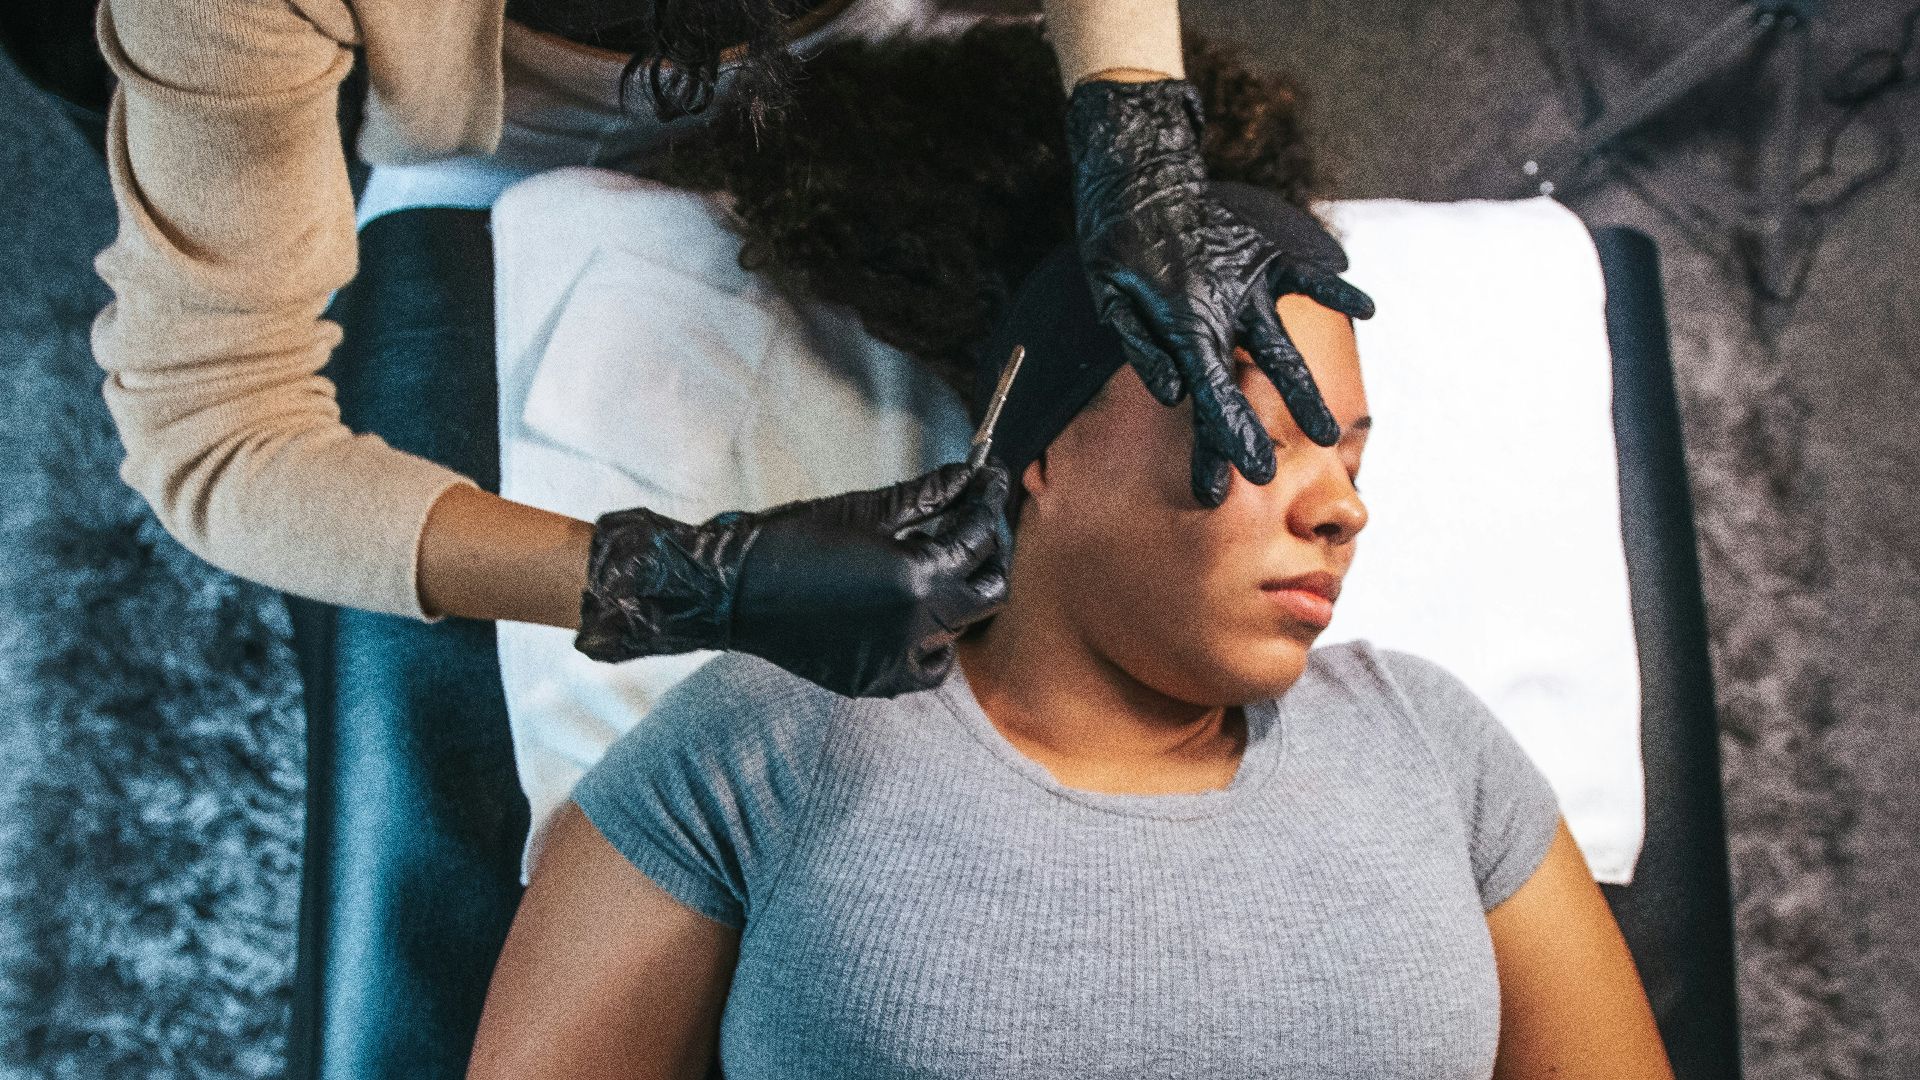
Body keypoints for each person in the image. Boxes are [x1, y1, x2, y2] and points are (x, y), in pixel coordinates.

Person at [463, 26, 1675, 1078]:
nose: (1342, 511)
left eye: (1351, 460)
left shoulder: (1435, 748)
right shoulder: (767, 742)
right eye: (1260, 433)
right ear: (1038, 446)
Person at [88, 0, 1372, 698]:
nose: (1346, 510)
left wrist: (1138, 130)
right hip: (474, 128)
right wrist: (672, 582)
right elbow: (214, 438)